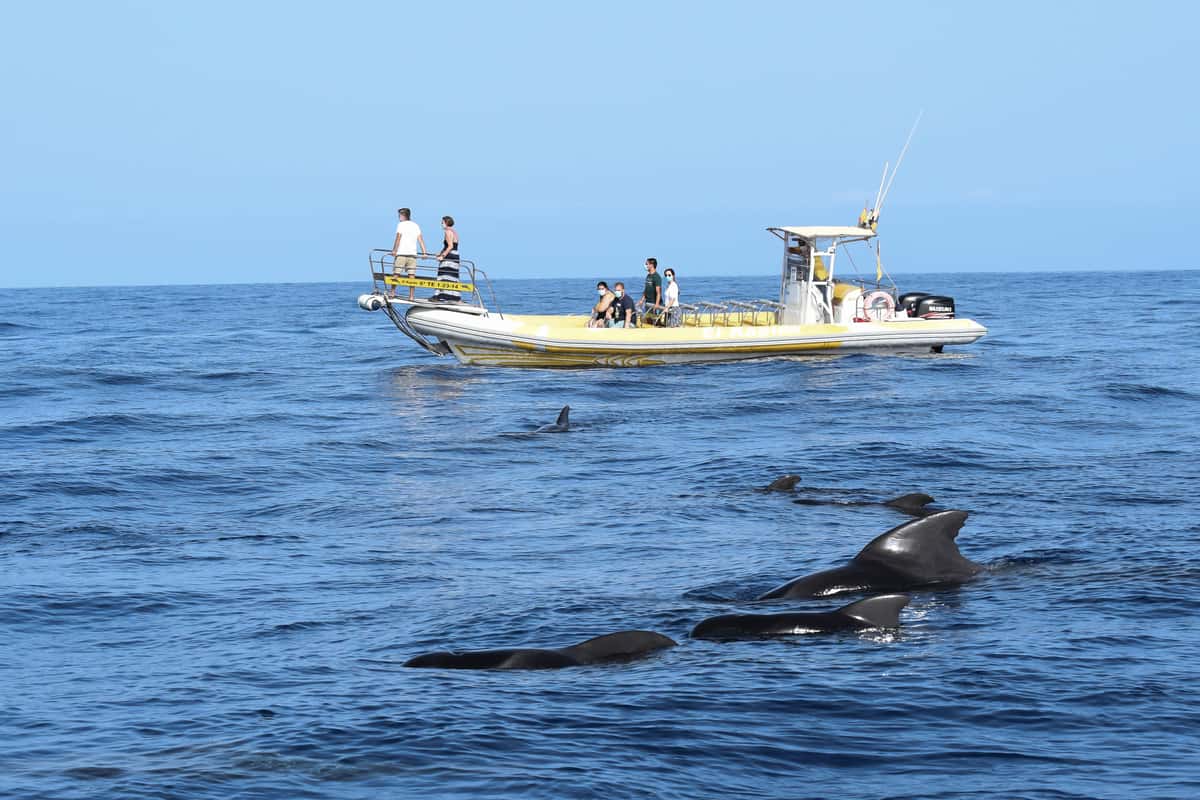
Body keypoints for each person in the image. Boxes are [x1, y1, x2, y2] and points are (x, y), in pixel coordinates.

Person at [390, 207, 427, 300]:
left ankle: (392, 292)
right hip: (412, 254)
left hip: (401, 253)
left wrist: (394, 250)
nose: (398, 217)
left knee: (396, 274)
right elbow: (420, 240)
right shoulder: (416, 225)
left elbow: (398, 238)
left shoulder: (401, 225)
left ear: (403, 216)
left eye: (399, 215)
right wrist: (424, 252)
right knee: (411, 276)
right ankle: (411, 296)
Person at [432, 215, 461, 303]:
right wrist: (440, 253)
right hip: (455, 255)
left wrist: (442, 256)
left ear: (446, 222)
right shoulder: (454, 231)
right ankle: (454, 297)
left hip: (449, 256)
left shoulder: (447, 231)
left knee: (444, 276)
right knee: (452, 277)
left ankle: (439, 296)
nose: (441, 224)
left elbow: (450, 246)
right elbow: (451, 246)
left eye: (442, 222)